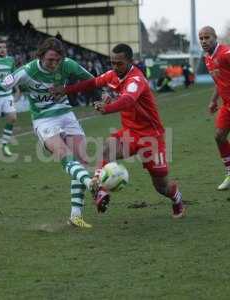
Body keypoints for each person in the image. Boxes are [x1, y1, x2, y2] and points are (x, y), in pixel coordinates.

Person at [0, 37, 98, 228]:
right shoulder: (27, 72)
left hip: (67, 115)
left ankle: (76, 216)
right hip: (44, 120)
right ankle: (90, 182)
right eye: (50, 60)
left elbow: (93, 81)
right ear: (40, 56)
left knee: (83, 161)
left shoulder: (68, 65)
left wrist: (101, 94)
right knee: (63, 154)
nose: (54, 64)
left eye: (57, 60)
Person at [51, 43, 186, 218]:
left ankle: (176, 198)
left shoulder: (135, 80)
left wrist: (107, 108)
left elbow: (128, 100)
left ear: (130, 61)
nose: (115, 67)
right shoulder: (113, 75)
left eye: (119, 63)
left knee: (161, 186)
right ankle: (99, 190)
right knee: (106, 149)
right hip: (130, 132)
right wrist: (66, 90)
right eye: (112, 63)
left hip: (151, 137)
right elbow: (92, 82)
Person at [199, 26, 230, 190]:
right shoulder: (208, 58)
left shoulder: (226, 53)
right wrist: (213, 101)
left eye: (207, 37)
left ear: (215, 37)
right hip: (226, 105)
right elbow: (219, 82)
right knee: (219, 137)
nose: (204, 41)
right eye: (201, 38)